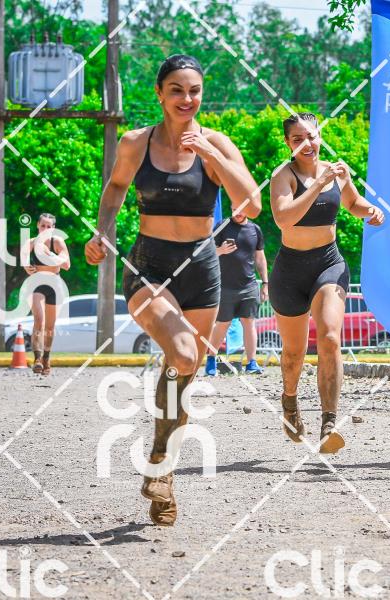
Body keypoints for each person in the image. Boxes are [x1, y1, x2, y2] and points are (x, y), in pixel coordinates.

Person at [85, 55, 261, 526]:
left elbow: (251, 204)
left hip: (202, 268)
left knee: (184, 372)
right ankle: (160, 467)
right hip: (150, 265)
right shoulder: (135, 142)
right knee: (183, 355)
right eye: (177, 90)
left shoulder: (216, 143)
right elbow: (115, 189)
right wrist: (103, 233)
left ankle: (161, 473)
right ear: (160, 93)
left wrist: (211, 155)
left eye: (195, 90)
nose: (187, 99)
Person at [269, 112, 384, 454]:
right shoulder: (282, 176)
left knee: (331, 337)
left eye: (311, 136)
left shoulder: (337, 171)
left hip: (328, 263)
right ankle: (290, 401)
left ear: (319, 136)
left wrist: (370, 211)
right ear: (288, 144)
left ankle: (329, 422)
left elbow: (352, 203)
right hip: (290, 270)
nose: (307, 144)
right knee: (294, 352)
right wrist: (318, 184)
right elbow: (283, 218)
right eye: (297, 139)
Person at [205, 211, 268, 376]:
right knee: (223, 324)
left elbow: (260, 258)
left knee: (249, 322)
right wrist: (221, 250)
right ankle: (211, 359)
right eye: (235, 208)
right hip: (225, 286)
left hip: (249, 285)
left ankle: (252, 363)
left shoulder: (255, 229)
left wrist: (265, 283)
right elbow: (207, 251)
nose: (238, 212)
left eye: (242, 209)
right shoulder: (222, 226)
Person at [23, 213, 70, 376]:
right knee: (39, 320)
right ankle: (37, 359)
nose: (45, 229)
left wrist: (49, 254)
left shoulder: (57, 242)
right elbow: (24, 260)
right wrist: (26, 266)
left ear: (53, 228)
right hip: (37, 283)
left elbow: (66, 265)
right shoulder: (30, 242)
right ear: (37, 225)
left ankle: (46, 358)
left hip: (55, 285)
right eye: (43, 225)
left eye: (49, 226)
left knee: (50, 327)